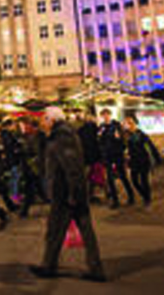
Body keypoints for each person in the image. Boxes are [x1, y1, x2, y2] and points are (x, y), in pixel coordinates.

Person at [30, 107, 106, 282]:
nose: (41, 122)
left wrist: (73, 193)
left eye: (44, 118)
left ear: (52, 120)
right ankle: (94, 268)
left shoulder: (63, 137)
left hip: (65, 192)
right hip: (68, 191)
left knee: (56, 230)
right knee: (80, 229)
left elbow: (72, 168)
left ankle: (49, 266)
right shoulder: (57, 136)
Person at [98, 109, 134, 208]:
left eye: (107, 115)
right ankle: (115, 201)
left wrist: (120, 142)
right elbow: (100, 141)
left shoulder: (117, 125)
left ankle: (131, 196)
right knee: (110, 179)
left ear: (110, 115)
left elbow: (123, 139)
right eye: (103, 115)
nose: (105, 117)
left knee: (122, 176)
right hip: (107, 156)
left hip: (117, 154)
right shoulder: (101, 127)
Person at [123, 116, 162, 206]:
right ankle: (144, 195)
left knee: (144, 181)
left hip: (143, 159)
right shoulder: (126, 135)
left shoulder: (141, 134)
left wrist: (157, 157)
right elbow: (124, 146)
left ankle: (147, 199)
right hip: (133, 161)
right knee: (134, 181)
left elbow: (151, 146)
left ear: (135, 123)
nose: (129, 125)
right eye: (127, 123)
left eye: (130, 123)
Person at [77, 114, 103, 203]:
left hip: (85, 158)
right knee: (95, 177)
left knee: (86, 178)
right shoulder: (97, 129)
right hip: (95, 157)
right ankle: (92, 194)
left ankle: (86, 195)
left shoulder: (80, 130)